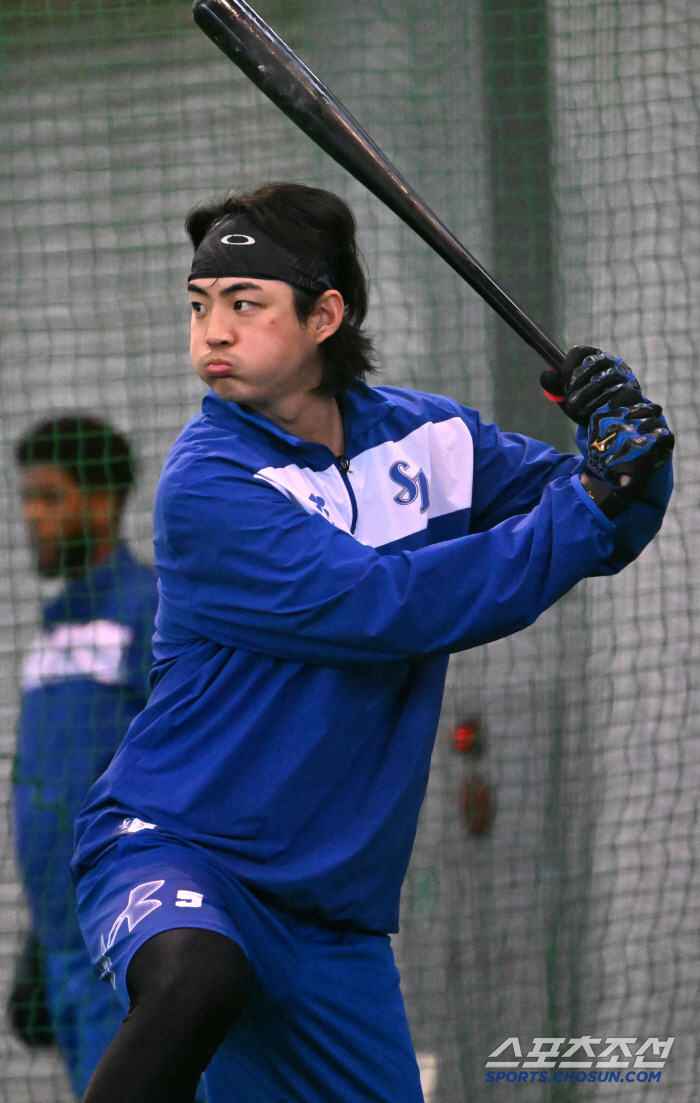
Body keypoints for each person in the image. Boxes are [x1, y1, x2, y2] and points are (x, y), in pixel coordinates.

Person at [70, 183, 674, 1103]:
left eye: (244, 304)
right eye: (199, 307)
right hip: (182, 845)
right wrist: (591, 499)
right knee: (196, 978)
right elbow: (384, 607)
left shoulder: (430, 436)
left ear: (325, 315)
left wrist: (634, 456)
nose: (212, 333)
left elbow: (605, 520)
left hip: (332, 914)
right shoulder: (209, 484)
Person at [11, 416, 159, 1098]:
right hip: (66, 949)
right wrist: (39, 946)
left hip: (128, 940)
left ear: (101, 501)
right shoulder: (52, 628)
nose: (32, 516)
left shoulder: (147, 610)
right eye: (27, 498)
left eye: (49, 496)